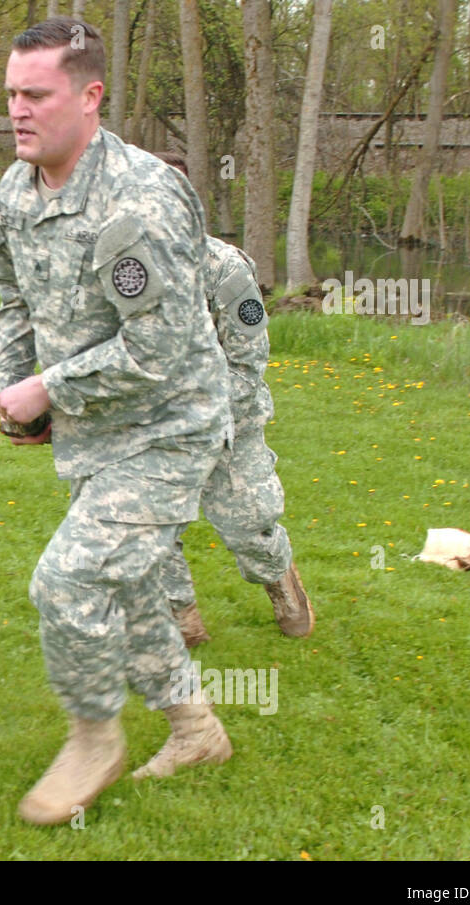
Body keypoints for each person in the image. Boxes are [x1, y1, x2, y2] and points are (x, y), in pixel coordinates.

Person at [0, 18, 233, 826]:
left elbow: (158, 348)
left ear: (90, 97)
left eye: (37, 94)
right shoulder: (16, 192)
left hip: (169, 426)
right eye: (12, 94)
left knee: (70, 580)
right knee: (125, 586)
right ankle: (196, 729)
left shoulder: (141, 200)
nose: (19, 111)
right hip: (99, 428)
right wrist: (10, 381)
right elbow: (13, 302)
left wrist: (49, 387)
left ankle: (94, 734)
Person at [152, 151, 314, 647]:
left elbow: (246, 369)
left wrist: (193, 410)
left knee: (250, 528)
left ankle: (282, 583)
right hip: (156, 429)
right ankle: (181, 620)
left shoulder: (225, 271)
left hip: (227, 427)